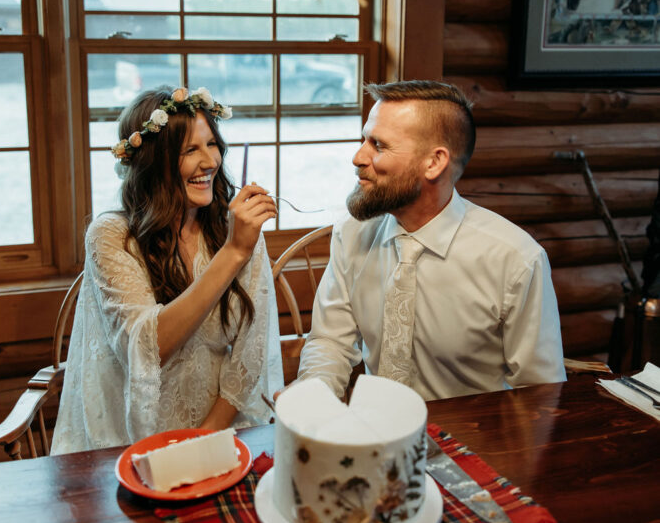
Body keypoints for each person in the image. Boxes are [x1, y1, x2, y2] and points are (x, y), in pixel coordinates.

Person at [297, 80, 565, 401]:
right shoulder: (352, 234)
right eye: (364, 140)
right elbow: (331, 341)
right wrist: (311, 399)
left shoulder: (516, 260)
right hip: (373, 432)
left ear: (434, 162)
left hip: (474, 441)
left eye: (378, 146)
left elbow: (540, 392)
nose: (358, 157)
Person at [52, 86, 283, 454]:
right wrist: (234, 252)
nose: (209, 162)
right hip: (133, 441)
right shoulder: (112, 237)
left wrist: (204, 440)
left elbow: (250, 352)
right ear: (152, 162)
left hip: (223, 433)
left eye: (212, 145)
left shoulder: (232, 227)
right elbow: (149, 347)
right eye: (190, 150)